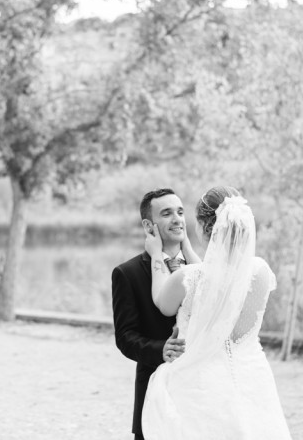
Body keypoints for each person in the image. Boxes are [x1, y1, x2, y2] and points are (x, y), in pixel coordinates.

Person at [142, 186, 292, 439]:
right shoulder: (260, 271)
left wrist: (156, 254)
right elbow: (217, 289)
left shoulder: (187, 278)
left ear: (203, 227)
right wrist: (188, 247)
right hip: (252, 376)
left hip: (202, 382)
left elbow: (162, 302)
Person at [111, 188, 202, 440]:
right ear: (148, 225)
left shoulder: (200, 268)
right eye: (167, 213)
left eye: (180, 212)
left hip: (200, 388)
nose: (177, 219)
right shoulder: (126, 273)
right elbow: (125, 337)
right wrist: (159, 349)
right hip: (154, 386)